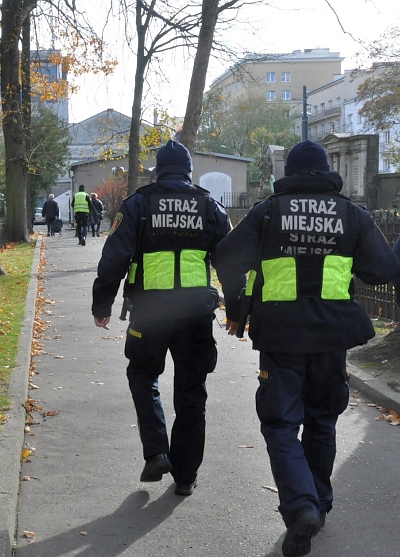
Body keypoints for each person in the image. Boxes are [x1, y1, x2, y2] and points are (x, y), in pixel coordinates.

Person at [215, 140, 400, 557]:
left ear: (291, 173)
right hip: (333, 339)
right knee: (322, 420)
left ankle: (301, 508)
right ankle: (317, 503)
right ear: (326, 172)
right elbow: (383, 269)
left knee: (281, 423)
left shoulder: (268, 211)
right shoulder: (352, 214)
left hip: (280, 337)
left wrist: (239, 308)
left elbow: (226, 257)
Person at [92, 140, 246, 497]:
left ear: (158, 170)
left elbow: (113, 257)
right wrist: (236, 312)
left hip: (150, 313)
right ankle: (186, 476)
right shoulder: (210, 206)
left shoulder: (138, 205)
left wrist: (102, 305)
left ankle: (157, 452)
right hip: (195, 314)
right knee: (192, 392)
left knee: (143, 377)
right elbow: (231, 265)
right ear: (189, 170)